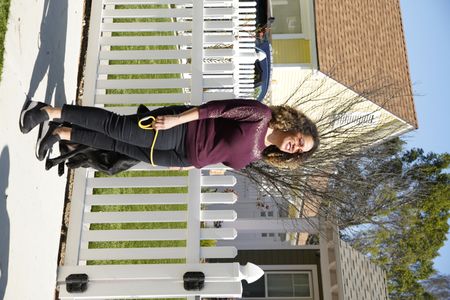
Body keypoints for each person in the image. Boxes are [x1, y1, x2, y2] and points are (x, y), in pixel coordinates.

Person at [19, 99, 319, 170]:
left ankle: (62, 132)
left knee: (116, 144)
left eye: (299, 151)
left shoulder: (256, 156)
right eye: (300, 141)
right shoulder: (260, 115)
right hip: (179, 129)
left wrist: (186, 164)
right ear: (296, 127)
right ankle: (50, 112)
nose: (295, 147)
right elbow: (215, 109)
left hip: (178, 157)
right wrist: (175, 120)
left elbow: (219, 156)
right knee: (117, 127)